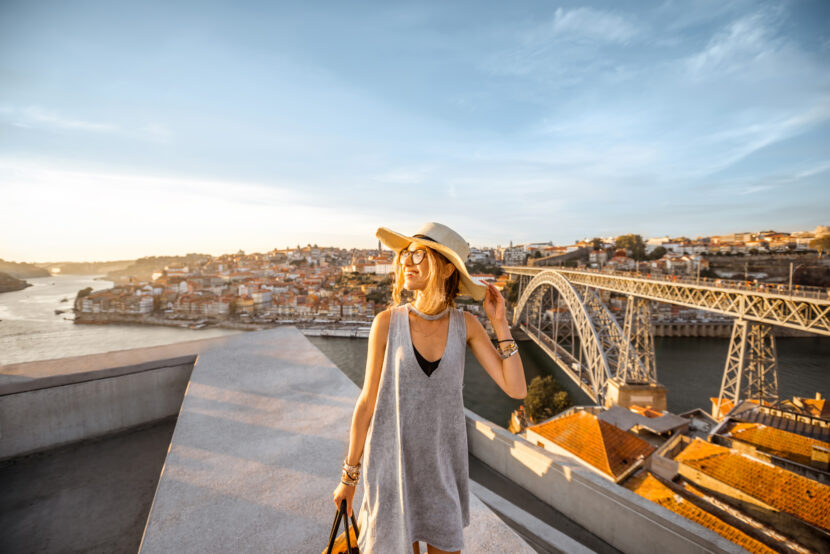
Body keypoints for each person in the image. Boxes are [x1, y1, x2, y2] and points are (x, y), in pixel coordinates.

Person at [331, 222, 527, 554]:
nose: (406, 261)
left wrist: (500, 324)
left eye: (418, 254)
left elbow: (516, 388)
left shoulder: (467, 325)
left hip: (442, 475)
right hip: (390, 473)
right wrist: (349, 478)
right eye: (405, 254)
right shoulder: (387, 322)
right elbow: (366, 404)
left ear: (447, 266)